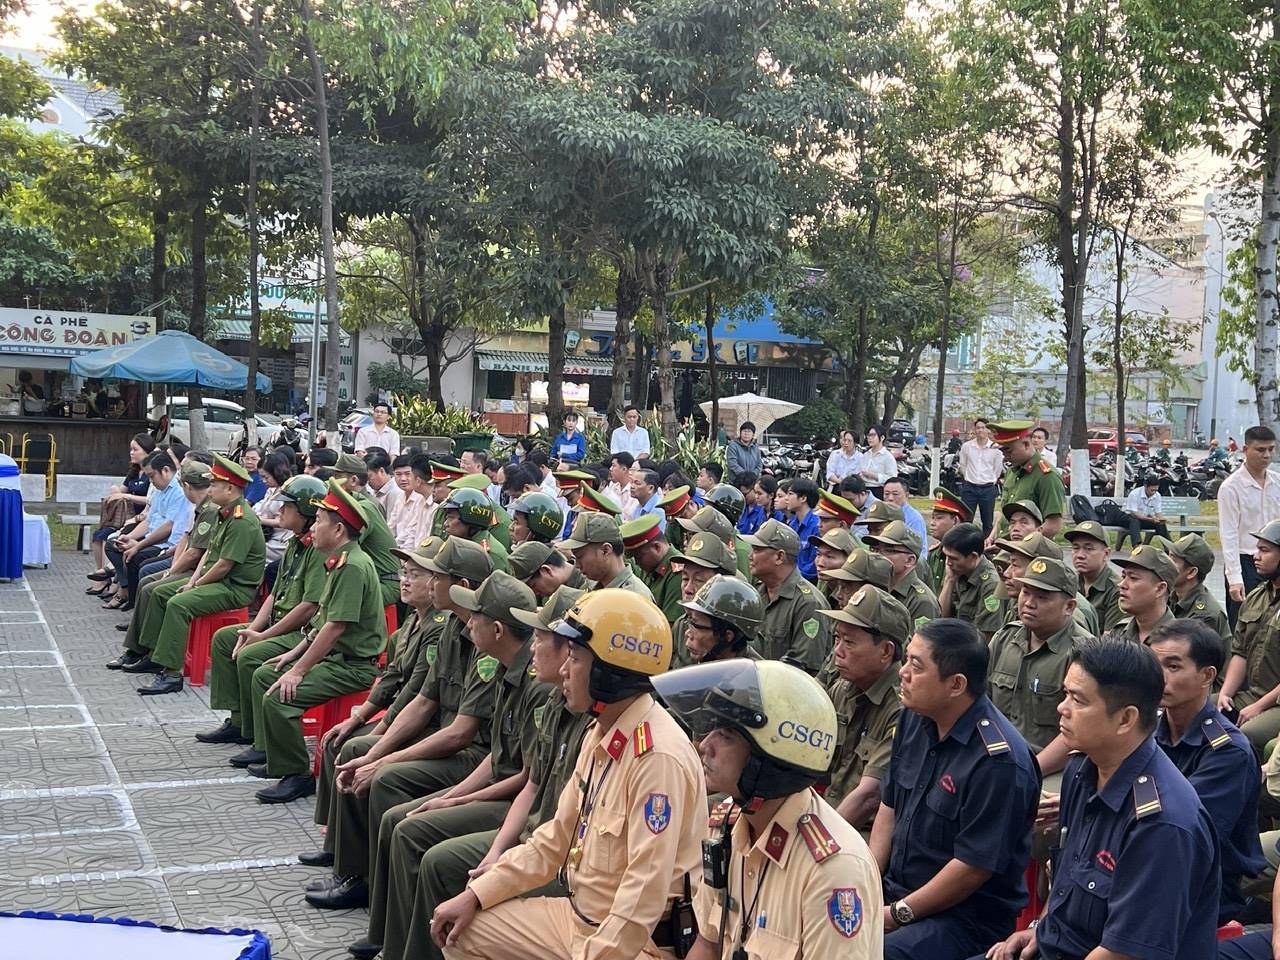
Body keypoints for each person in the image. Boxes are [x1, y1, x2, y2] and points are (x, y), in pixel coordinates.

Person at [429, 590, 706, 960]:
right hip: (578, 920)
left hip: (635, 944)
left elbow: (643, 893)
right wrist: (478, 894)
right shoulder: (601, 733)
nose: (563, 670)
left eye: (574, 658)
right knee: (461, 933)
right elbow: (554, 839)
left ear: (609, 673)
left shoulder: (657, 757)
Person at [977, 638, 1220, 960]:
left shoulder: (1162, 822)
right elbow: (1070, 878)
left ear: (1125, 719)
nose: (1062, 708)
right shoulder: (1083, 771)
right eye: (1065, 694)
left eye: (1078, 700)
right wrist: (1041, 926)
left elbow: (1124, 952)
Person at [391, 585, 590, 960]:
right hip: (532, 833)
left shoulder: (582, 716)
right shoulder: (553, 698)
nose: (533, 646)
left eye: (541, 638)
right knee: (424, 843)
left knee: (433, 856)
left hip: (559, 858)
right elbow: (532, 785)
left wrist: (497, 859)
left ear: (569, 652)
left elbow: (534, 796)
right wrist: (493, 850)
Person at [357, 571, 547, 959]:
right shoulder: (508, 668)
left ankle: (411, 950)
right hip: (500, 786)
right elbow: (500, 756)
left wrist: (458, 799)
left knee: (417, 837)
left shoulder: (536, 684)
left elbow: (527, 778)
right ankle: (391, 938)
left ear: (497, 629)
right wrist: (454, 797)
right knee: (401, 820)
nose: (468, 621)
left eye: (475, 616)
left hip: (519, 805)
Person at [307, 536, 498, 910]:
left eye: (435, 576)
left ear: (462, 586)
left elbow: (461, 733)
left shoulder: (483, 641)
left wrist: (381, 760)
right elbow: (423, 699)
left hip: (473, 753)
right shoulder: (452, 628)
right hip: (448, 739)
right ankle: (354, 867)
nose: (424, 582)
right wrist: (373, 752)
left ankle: (373, 883)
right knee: (359, 754)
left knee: (387, 779)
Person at [655, 658, 884, 959]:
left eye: (726, 734)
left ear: (766, 761)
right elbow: (709, 943)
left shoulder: (834, 870)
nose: (705, 745)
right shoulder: (728, 824)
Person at [871, 618, 1040, 959]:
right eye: (906, 660)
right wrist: (865, 886)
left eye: (916, 666)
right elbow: (889, 809)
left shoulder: (998, 761)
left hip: (963, 919)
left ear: (956, 684)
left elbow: (971, 869)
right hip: (895, 893)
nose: (902, 672)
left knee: (871, 952)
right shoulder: (914, 718)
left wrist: (894, 915)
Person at [247, 479, 389, 803]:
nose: (314, 527)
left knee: (279, 697)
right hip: (335, 658)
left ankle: (297, 775)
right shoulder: (338, 562)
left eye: (320, 521)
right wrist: (293, 655)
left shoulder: (352, 566)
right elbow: (321, 622)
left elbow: (335, 628)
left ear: (338, 530)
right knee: (266, 673)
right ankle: (277, 755)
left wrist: (298, 670)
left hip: (353, 666)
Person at [197, 475, 328, 756]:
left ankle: (261, 736)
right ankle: (239, 720)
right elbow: (274, 593)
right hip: (280, 625)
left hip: (302, 633)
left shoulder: (317, 550)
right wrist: (254, 630)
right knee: (225, 639)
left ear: (304, 511)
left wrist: (264, 635)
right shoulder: (295, 544)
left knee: (250, 655)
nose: (280, 510)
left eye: (287, 506)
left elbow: (309, 607)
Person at [1150, 620, 1264, 925]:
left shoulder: (1228, 751)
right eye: (1154, 665)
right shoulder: (1150, 731)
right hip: (1154, 864)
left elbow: (1183, 834)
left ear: (1207, 676)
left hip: (1204, 883)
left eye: (1173, 666)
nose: (1159, 677)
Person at [128, 453, 266, 695]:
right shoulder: (225, 513)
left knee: (178, 603)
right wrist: (193, 581)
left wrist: (196, 584)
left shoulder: (241, 520)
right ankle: (153, 654)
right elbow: (208, 553)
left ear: (230, 489)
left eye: (214, 485)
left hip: (234, 587)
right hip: (218, 580)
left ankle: (172, 674)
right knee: (160, 592)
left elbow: (224, 565)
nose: (209, 490)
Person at [985, 557, 1089, 787]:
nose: (1029, 603)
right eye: (1026, 592)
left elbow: (1079, 733)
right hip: (997, 756)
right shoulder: (1005, 639)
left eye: (1042, 597)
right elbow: (982, 704)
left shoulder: (1082, 653)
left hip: (1051, 765)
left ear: (1069, 606)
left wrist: (1026, 772)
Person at [818, 584, 909, 828]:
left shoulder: (902, 710)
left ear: (886, 651)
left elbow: (869, 796)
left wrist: (819, 840)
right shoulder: (842, 689)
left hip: (865, 833)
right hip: (828, 814)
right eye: (837, 638)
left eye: (849, 642)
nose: (837, 651)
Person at [1218, 518, 1280, 751]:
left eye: (1265, 550)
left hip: (1275, 702)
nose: (1256, 556)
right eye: (1257, 549)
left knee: (1245, 736)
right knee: (1197, 710)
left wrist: (1259, 706)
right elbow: (1240, 652)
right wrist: (1225, 694)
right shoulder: (1256, 596)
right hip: (1252, 694)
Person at [103, 452, 192, 611]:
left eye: (152, 476)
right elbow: (148, 521)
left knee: (136, 558)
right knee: (113, 545)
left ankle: (136, 603)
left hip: (164, 542)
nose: (151, 481)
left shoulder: (179, 491)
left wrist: (138, 545)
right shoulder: (160, 490)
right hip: (152, 538)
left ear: (165, 471)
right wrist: (128, 537)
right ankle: (126, 590)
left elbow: (169, 528)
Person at [741, 518, 830, 673]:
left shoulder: (808, 603)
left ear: (779, 557)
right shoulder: (757, 592)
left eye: (757, 550)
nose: (750, 556)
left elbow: (803, 668)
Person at [1219, 425, 1280, 627]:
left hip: (1275, 561)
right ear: (1245, 450)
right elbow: (1228, 534)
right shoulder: (1231, 487)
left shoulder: (1277, 482)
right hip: (1245, 562)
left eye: (1271, 449)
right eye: (1260, 450)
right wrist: (1234, 578)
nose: (1267, 455)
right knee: (1244, 625)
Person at [86, 432, 156, 586]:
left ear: (147, 451)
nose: (131, 453)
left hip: (141, 516)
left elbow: (151, 499)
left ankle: (112, 579)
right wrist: (116, 491)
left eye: (135, 449)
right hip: (126, 516)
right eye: (131, 449)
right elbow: (122, 491)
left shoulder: (151, 474)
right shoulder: (133, 472)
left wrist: (127, 497)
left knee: (110, 538)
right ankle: (103, 576)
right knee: (98, 535)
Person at [669, 534, 741, 669]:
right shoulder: (681, 625)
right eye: (685, 578)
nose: (688, 589)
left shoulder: (739, 633)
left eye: (698, 580)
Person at [988, 420, 1065, 545]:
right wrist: (992, 537)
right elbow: (1005, 514)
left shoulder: (1047, 476)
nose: (1005, 456)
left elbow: (1053, 524)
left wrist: (1019, 546)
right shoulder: (1012, 472)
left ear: (1026, 444)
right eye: (1002, 452)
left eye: (1009, 451)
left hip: (1029, 552)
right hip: (1004, 547)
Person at [560, 512, 653, 598]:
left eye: (580, 556)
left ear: (605, 551)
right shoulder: (594, 585)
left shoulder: (634, 597)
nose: (577, 565)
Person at [937, 523, 1003, 640]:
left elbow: (986, 637)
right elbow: (940, 619)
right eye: (946, 556)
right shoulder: (958, 571)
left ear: (973, 557)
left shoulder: (991, 585)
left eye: (953, 558)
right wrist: (949, 581)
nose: (948, 563)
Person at [1100, 544, 1176, 645]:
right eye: (1123, 576)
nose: (1121, 584)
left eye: (1133, 578)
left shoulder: (1180, 641)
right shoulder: (1119, 633)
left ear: (1160, 589)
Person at [1164, 533, 1232, 642]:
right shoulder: (1171, 596)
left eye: (1173, 560)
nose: (1166, 563)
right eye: (1168, 556)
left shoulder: (1205, 615)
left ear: (1191, 572)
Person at [621, 514, 682, 624]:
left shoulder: (677, 573)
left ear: (657, 547)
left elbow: (670, 625)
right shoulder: (650, 566)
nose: (637, 562)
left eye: (639, 556)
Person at [1064, 521, 1124, 632]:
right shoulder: (1068, 581)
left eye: (1089, 549)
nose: (1080, 555)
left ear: (1106, 554)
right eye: (1076, 548)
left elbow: (1109, 638)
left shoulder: (1117, 590)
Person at [958, 419, 1004, 536]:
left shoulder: (995, 448)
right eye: (978, 428)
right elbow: (963, 465)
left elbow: (997, 469)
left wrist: (991, 481)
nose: (980, 430)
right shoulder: (967, 447)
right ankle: (964, 544)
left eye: (983, 427)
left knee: (987, 522)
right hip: (970, 488)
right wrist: (968, 478)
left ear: (988, 430)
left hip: (987, 489)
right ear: (975, 430)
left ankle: (987, 545)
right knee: (965, 520)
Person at [881, 476, 928, 569]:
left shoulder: (914, 519)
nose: (890, 498)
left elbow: (919, 551)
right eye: (886, 494)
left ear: (906, 495)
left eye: (895, 494)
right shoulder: (881, 513)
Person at [928, 487, 970, 590]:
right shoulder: (934, 554)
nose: (932, 523)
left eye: (939, 518)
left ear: (955, 521)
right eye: (932, 517)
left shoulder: (967, 556)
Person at [786, 476, 821, 582]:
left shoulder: (816, 526)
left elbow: (813, 566)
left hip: (806, 581)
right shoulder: (792, 523)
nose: (786, 498)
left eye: (790, 494)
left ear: (803, 498)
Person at [1122, 474, 1169, 547]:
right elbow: (1134, 514)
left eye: (1156, 490)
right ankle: (1137, 546)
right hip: (1128, 518)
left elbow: (1158, 512)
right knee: (1134, 520)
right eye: (1152, 490)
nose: (1154, 492)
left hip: (1144, 519)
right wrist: (1150, 519)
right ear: (1145, 486)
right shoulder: (1135, 494)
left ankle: (1169, 547)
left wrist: (1161, 519)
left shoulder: (1157, 495)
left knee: (1160, 524)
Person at [366, 449, 405, 519]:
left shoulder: (395, 492)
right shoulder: (374, 490)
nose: (368, 481)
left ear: (381, 471)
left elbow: (391, 522)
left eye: (369, 477)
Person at [856, 426, 897, 490]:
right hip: (863, 487)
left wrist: (874, 476)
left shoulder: (888, 457)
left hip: (879, 488)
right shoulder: (866, 455)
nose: (870, 438)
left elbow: (892, 479)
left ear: (882, 437)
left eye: (873, 435)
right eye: (868, 435)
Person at [630, 466, 667, 533]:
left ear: (650, 488)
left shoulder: (658, 510)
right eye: (631, 482)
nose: (632, 486)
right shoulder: (638, 507)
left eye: (637, 483)